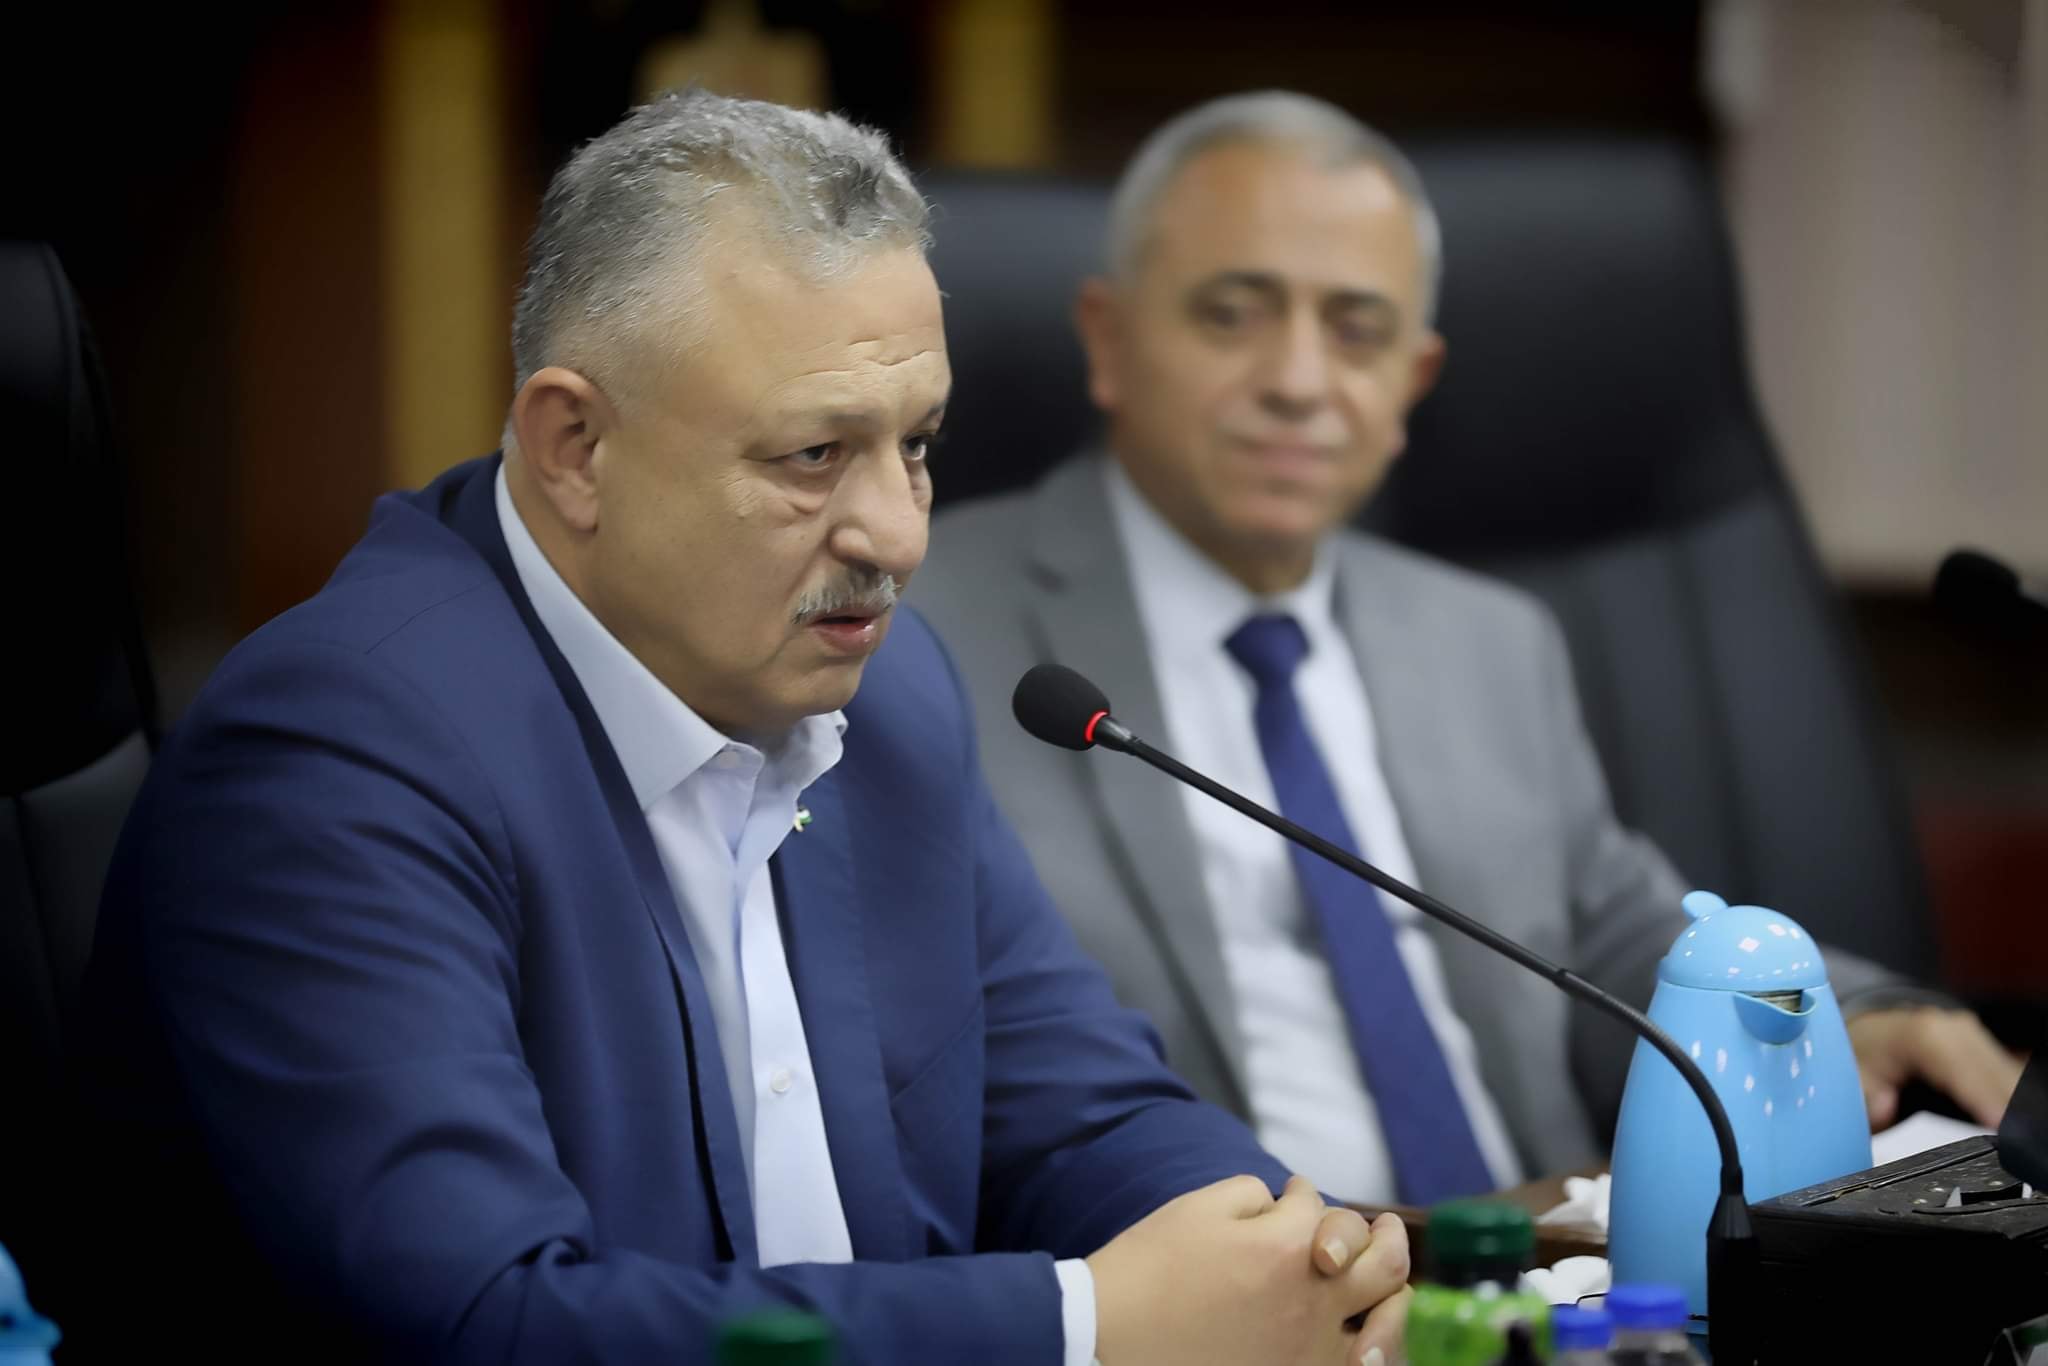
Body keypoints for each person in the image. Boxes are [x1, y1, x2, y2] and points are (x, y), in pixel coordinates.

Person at [75, 91, 1413, 1366]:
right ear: (574, 447)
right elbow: (490, 1321)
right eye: (812, 456)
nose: (894, 536)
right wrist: (1082, 1325)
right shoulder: (335, 759)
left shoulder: (885, 690)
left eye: (917, 445)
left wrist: (1298, 1263)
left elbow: (1079, 1110)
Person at [914, 90, 2023, 1206]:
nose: (1297, 381)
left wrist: (1846, 1014)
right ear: (1107, 339)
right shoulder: (924, 631)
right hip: (1222, 1261)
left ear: (1412, 381)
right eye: (1232, 315)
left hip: (1544, 1252)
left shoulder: (1488, 638)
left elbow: (1621, 936)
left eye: (1358, 331)